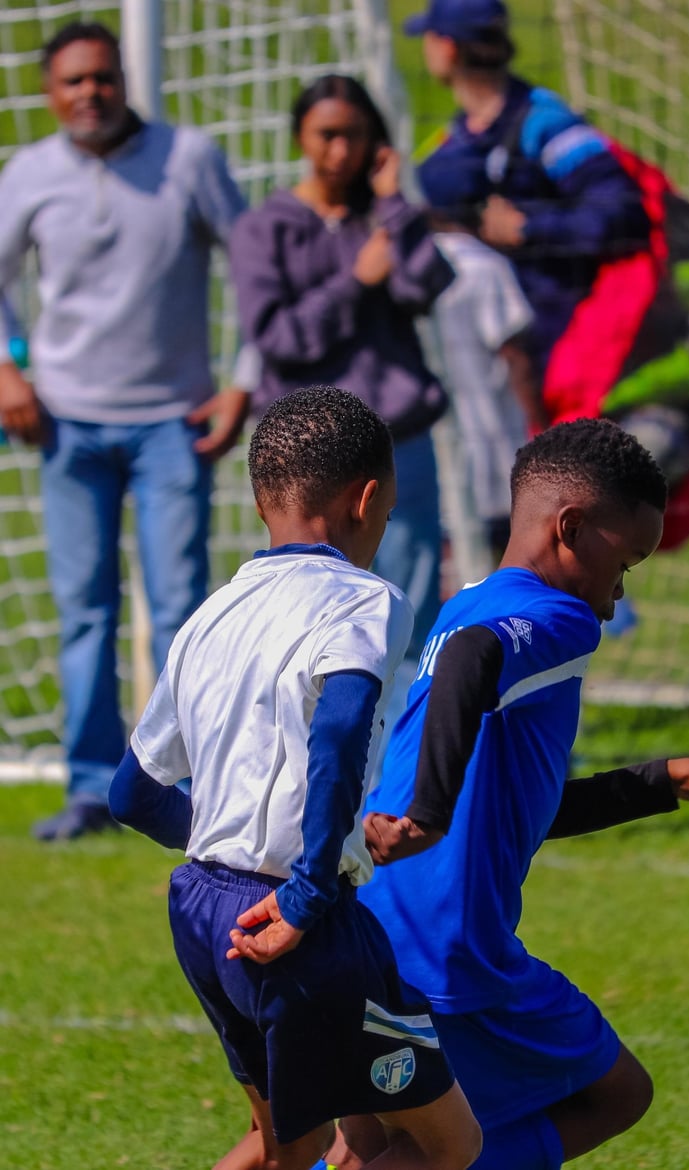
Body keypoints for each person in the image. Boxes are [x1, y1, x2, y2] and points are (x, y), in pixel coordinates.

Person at [320, 418, 689, 1170]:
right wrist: (426, 813)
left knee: (369, 1145)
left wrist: (664, 781)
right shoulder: (557, 620)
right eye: (624, 565)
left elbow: (519, 811)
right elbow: (473, 660)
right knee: (611, 1097)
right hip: (451, 952)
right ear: (572, 529)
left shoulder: (473, 600)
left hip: (373, 922)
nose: (616, 599)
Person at [108, 386, 482, 1170]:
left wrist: (233, 841)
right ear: (368, 498)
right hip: (297, 920)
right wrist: (310, 890)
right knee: (448, 1144)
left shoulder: (211, 614)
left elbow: (132, 794)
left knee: (293, 1145)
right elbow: (341, 733)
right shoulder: (367, 601)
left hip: (203, 910)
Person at [0, 21, 252, 839]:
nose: (89, 94)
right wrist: (8, 370)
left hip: (172, 425)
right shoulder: (29, 172)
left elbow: (257, 273)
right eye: (73, 82)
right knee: (83, 612)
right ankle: (89, 788)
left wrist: (243, 381)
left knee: (183, 610)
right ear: (50, 91)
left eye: (102, 78)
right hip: (66, 428)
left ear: (123, 80)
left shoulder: (189, 159)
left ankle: (184, 786)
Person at [228, 73, 455, 732]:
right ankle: (303, 743)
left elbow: (427, 285)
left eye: (355, 136)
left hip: (398, 437)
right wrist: (356, 281)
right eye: (327, 134)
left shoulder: (382, 217)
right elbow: (278, 337)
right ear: (300, 136)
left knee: (407, 601)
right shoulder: (264, 228)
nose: (341, 151)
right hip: (307, 453)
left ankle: (402, 762)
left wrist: (393, 205)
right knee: (305, 604)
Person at [404, 0, 651, 385]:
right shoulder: (451, 144)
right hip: (491, 354)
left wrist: (530, 227)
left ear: (447, 47)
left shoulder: (545, 124)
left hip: (571, 349)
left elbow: (624, 211)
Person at [425, 201, 540, 564]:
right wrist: (542, 425)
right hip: (492, 449)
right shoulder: (484, 266)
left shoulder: (403, 260)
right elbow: (515, 358)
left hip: (427, 458)